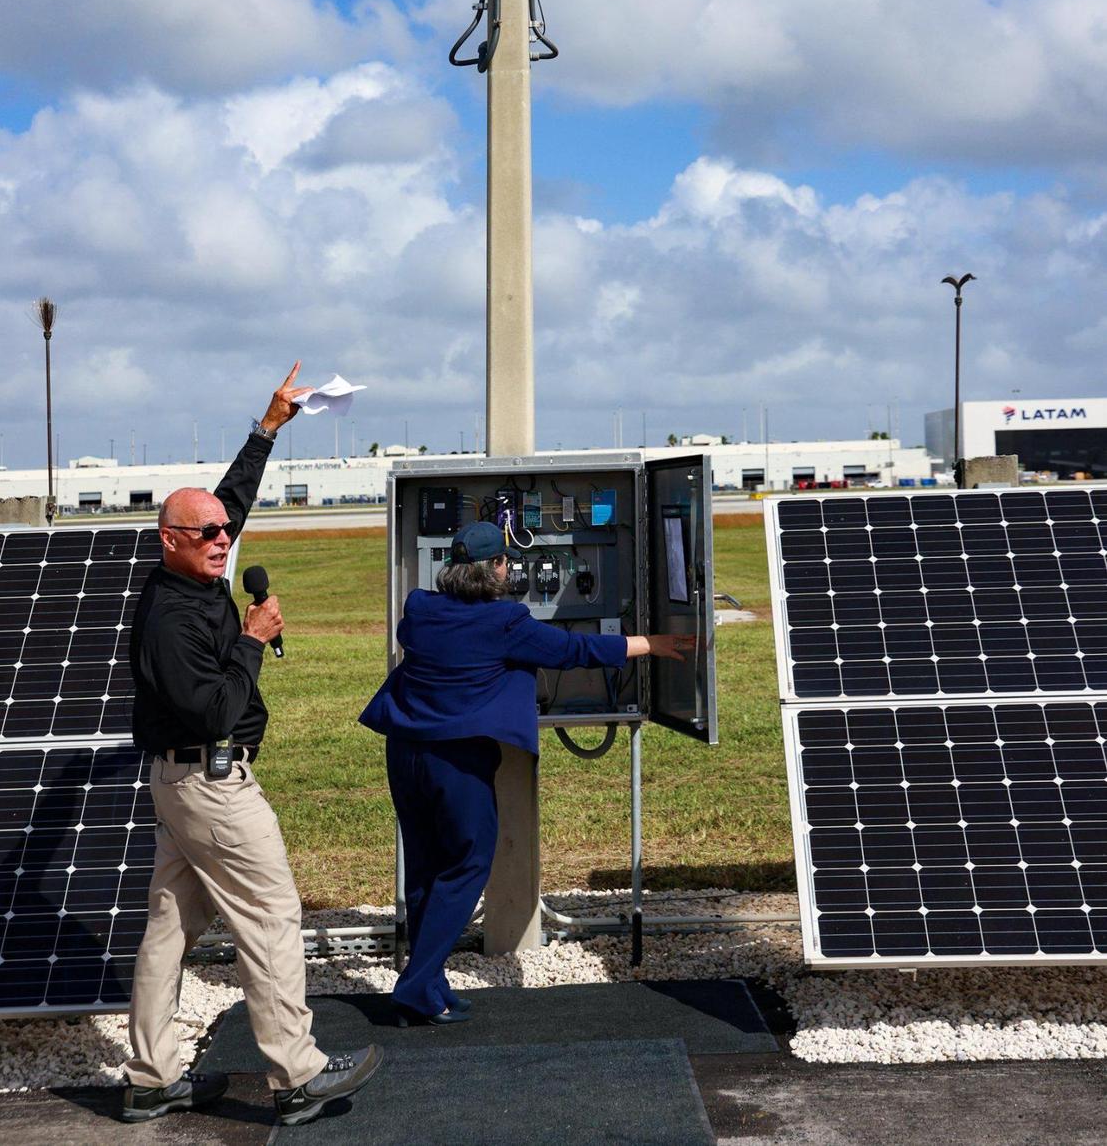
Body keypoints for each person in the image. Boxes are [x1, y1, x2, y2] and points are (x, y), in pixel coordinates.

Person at [122, 364, 383, 1128]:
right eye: (205, 534)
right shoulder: (172, 619)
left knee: (170, 925)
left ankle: (150, 1076)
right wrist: (252, 638)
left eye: (223, 533)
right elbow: (215, 710)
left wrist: (267, 425)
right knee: (270, 912)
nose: (222, 540)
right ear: (170, 540)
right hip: (210, 782)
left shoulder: (195, 564)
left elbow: (228, 498)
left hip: (182, 789)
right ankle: (297, 1075)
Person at [359, 519, 695, 1024]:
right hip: (458, 761)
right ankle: (413, 986)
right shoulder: (507, 623)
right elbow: (571, 651)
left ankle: (430, 985)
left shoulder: (420, 608)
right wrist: (649, 644)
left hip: (405, 753)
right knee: (469, 865)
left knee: (426, 867)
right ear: (497, 568)